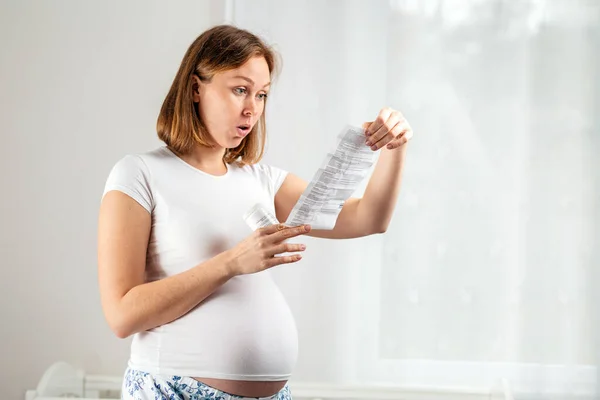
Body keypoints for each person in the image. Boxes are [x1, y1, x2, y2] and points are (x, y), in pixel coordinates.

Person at [97, 24, 413, 400]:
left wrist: (394, 149)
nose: (252, 109)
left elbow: (368, 219)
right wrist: (232, 262)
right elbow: (122, 315)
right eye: (240, 89)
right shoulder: (140, 174)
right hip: (173, 389)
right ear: (196, 88)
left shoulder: (262, 180)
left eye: (261, 95)